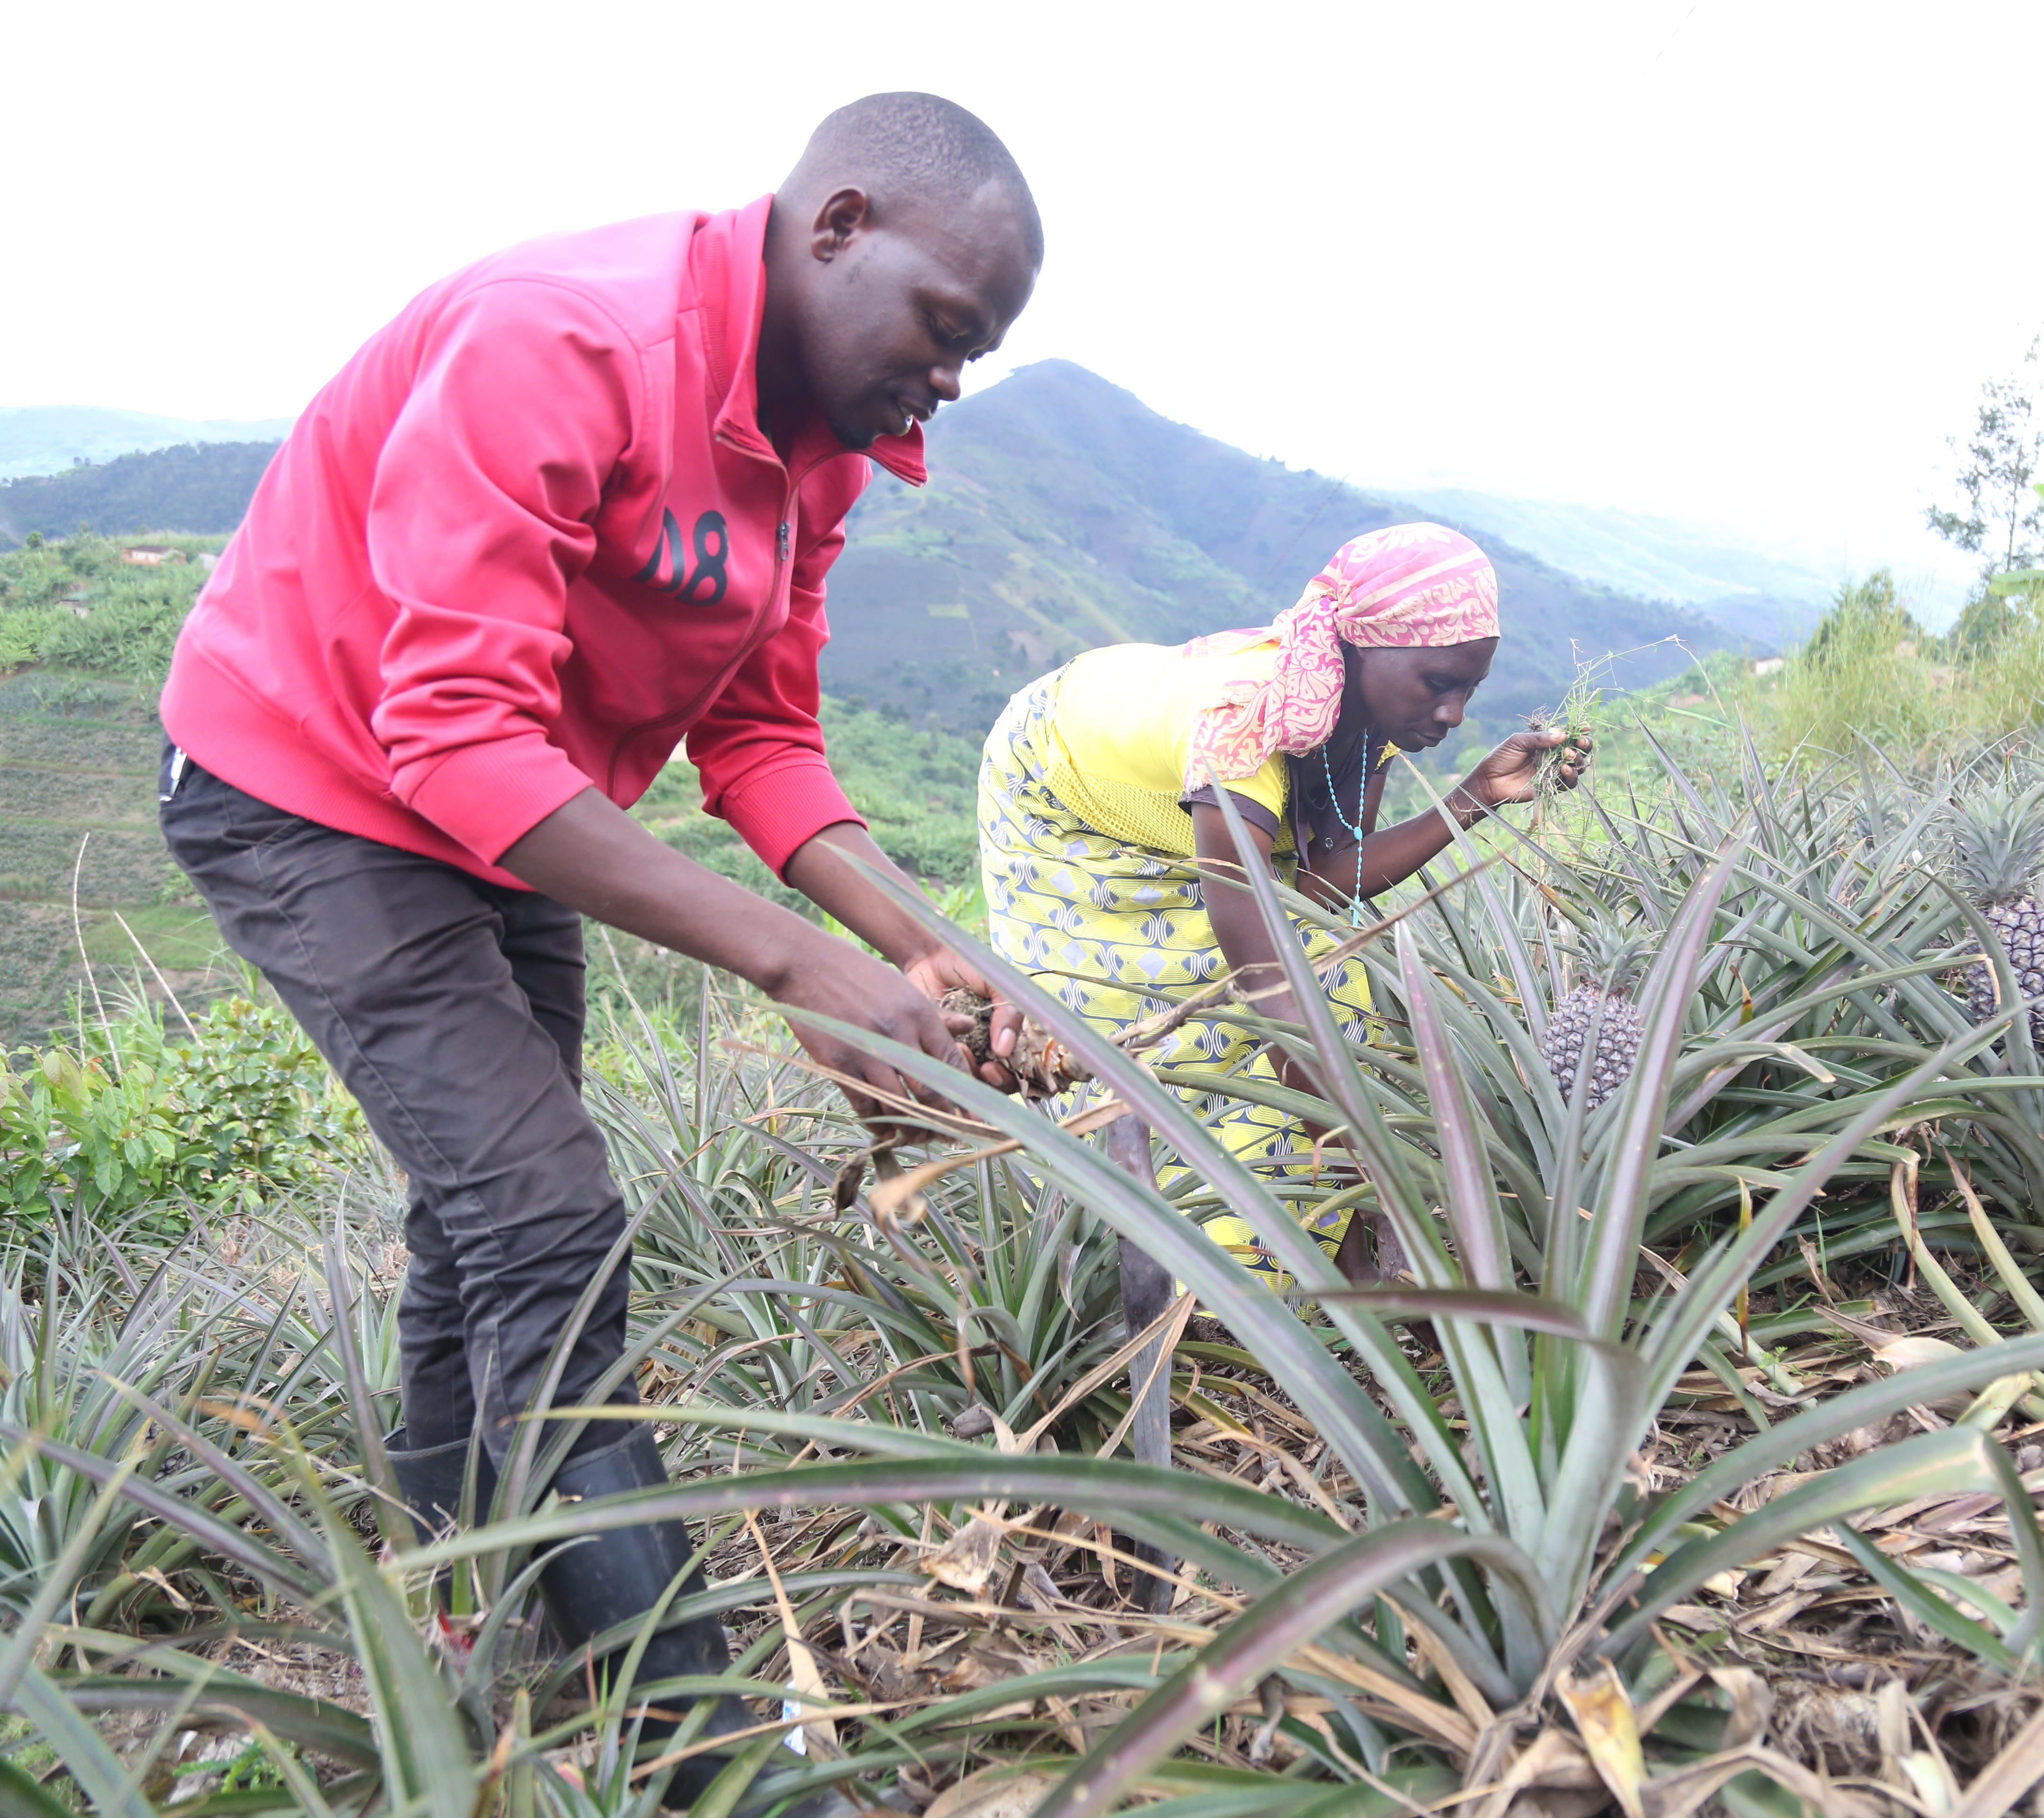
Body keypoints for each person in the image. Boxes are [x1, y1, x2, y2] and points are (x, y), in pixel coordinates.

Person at [155, 92, 1037, 1813]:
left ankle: (456, 1601)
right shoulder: (565, 340)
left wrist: (931, 951)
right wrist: (792, 969)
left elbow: (765, 740)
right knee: (544, 1213)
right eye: (947, 327)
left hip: (511, 799)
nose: (951, 380)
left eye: (980, 357)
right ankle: (702, 1749)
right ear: (838, 223)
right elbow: (447, 734)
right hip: (308, 786)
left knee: (486, 1212)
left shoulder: (824, 447)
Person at [978, 522, 1591, 1273]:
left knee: (1323, 975)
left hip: (1183, 785)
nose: (1456, 714)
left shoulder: (1364, 723)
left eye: (1470, 689)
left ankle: (1309, 1238)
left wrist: (1476, 797)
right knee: (1181, 1014)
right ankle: (1181, 1243)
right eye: (1439, 684)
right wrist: (1373, 1182)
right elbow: (1270, 983)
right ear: (1363, 649)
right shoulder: (1247, 728)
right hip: (1060, 783)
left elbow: (1321, 883)